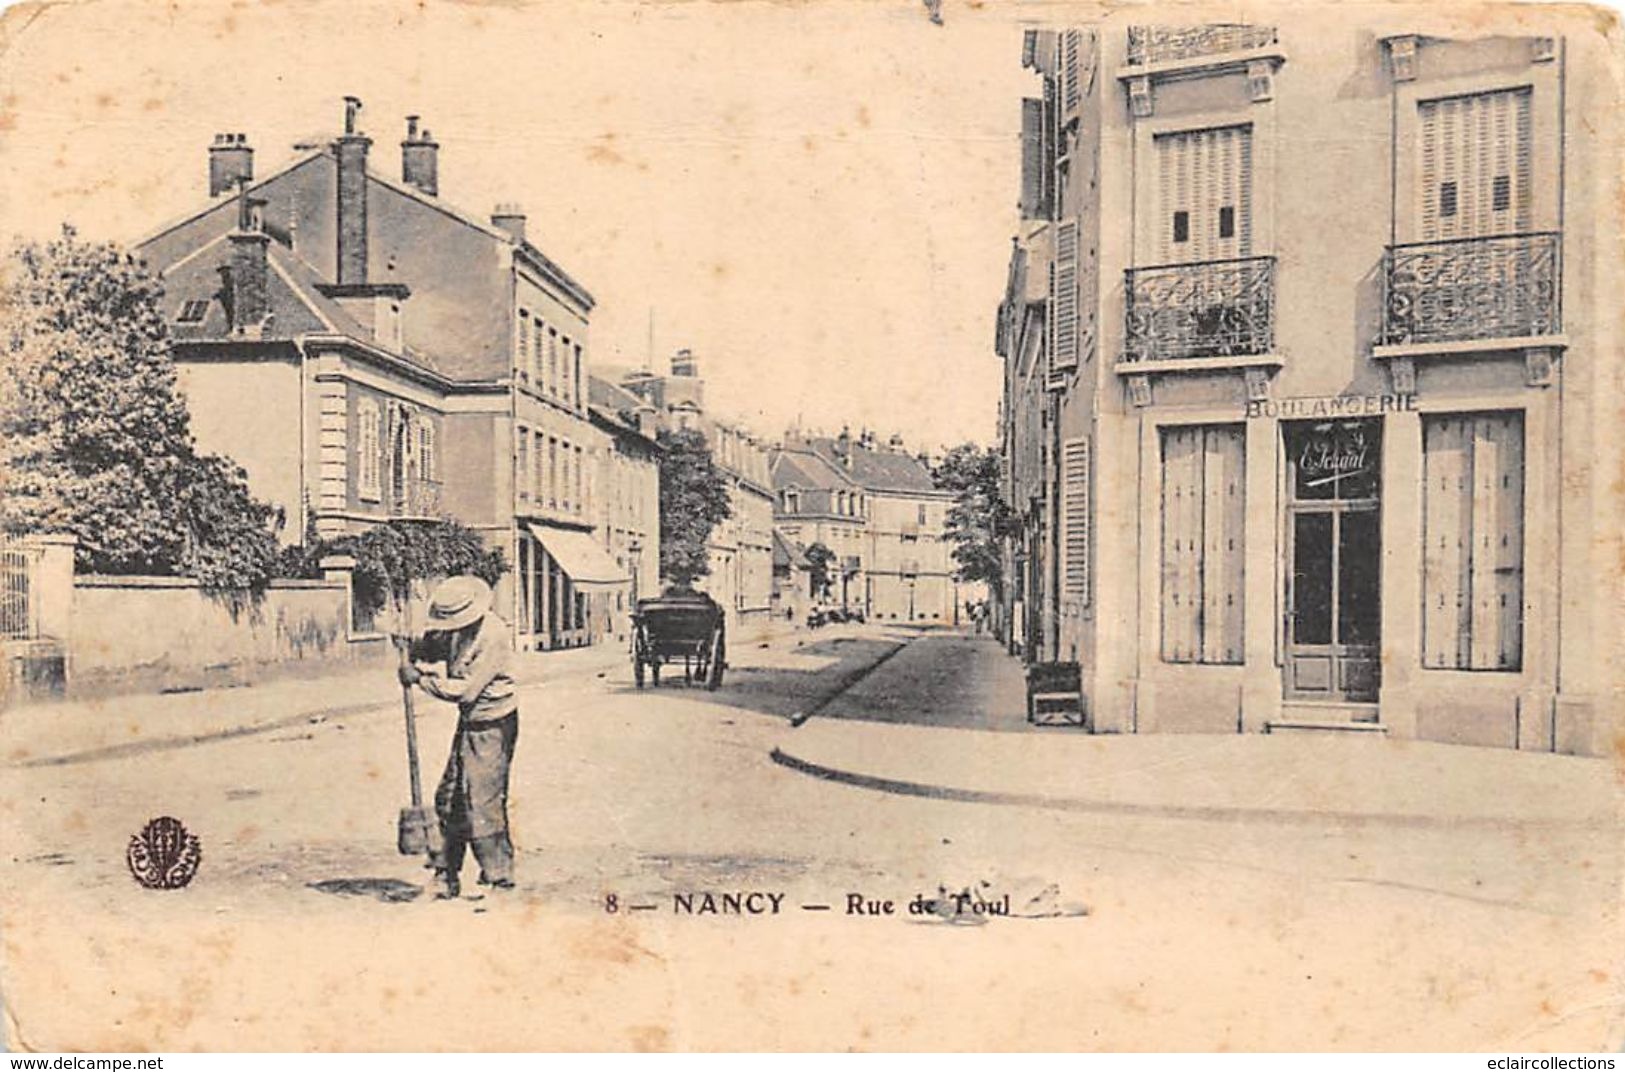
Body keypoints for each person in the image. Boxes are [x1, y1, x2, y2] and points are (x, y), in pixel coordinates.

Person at [398, 575, 519, 899]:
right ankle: (445, 875)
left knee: (482, 801)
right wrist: (413, 647)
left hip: (494, 722)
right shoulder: (456, 630)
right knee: (449, 797)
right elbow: (432, 643)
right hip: (470, 723)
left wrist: (420, 679)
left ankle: (499, 879)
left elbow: (466, 692)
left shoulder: (492, 634)